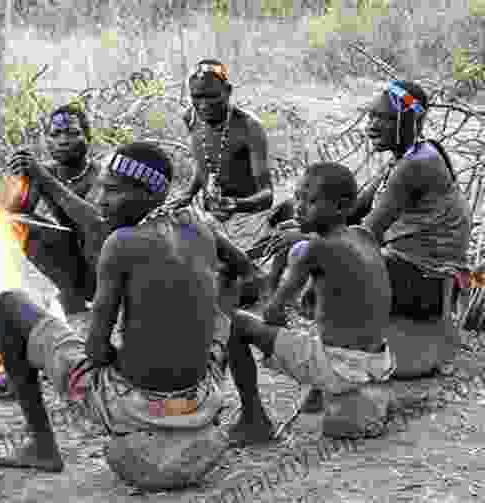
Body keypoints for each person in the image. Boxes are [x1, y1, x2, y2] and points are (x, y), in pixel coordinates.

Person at [0, 142, 250, 470]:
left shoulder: (122, 243)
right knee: (220, 318)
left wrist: (119, 357)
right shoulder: (198, 224)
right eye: (101, 188)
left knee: (9, 305)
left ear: (149, 194)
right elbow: (241, 269)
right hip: (202, 397)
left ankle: (41, 445)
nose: (101, 200)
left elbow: (96, 352)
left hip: (133, 404)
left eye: (112, 191)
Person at [226, 162, 396, 446]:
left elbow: (271, 314)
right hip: (378, 362)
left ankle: (253, 421)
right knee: (322, 324)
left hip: (341, 367)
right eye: (298, 197)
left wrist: (276, 273)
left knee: (238, 324)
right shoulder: (362, 236)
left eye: (311, 200)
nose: (300, 207)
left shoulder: (316, 250)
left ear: (342, 207)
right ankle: (317, 395)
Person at [362, 80, 471, 322]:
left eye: (385, 118)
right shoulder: (407, 157)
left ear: (414, 122)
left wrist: (310, 240)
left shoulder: (416, 164)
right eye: (371, 117)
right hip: (416, 274)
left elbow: (366, 233)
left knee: (337, 258)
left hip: (430, 284)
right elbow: (357, 208)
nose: (371, 127)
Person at [7, 104, 103, 315]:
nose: (63, 140)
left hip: (106, 265)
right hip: (74, 262)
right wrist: (20, 178)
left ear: (88, 137)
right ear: (47, 140)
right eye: (55, 134)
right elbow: (16, 213)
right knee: (19, 224)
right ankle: (71, 293)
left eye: (72, 133)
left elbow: (94, 222)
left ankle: (102, 301)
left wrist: (42, 176)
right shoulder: (45, 172)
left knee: (95, 235)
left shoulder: (101, 174)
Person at [177, 60, 273, 223]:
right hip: (209, 217)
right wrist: (189, 193)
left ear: (228, 91)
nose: (203, 105)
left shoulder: (249, 127)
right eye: (197, 97)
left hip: (246, 219)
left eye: (212, 96)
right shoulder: (192, 118)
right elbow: (204, 162)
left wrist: (236, 204)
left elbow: (267, 195)